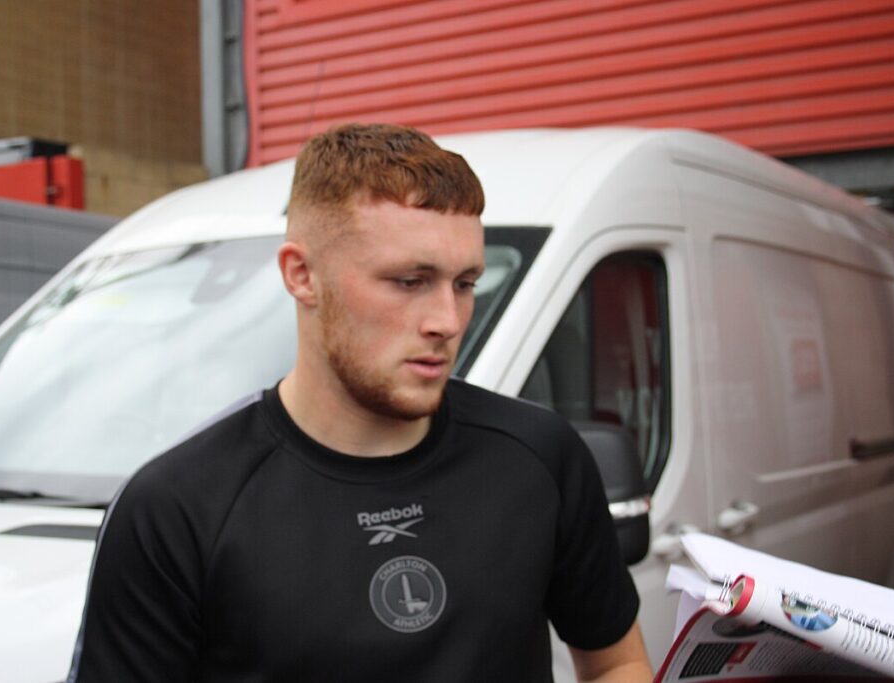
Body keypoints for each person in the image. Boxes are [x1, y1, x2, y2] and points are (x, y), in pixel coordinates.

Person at [68, 123, 653, 682]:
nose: (448, 321)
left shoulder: (539, 457)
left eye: (465, 283)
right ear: (302, 275)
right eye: (409, 281)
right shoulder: (177, 509)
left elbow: (614, 663)